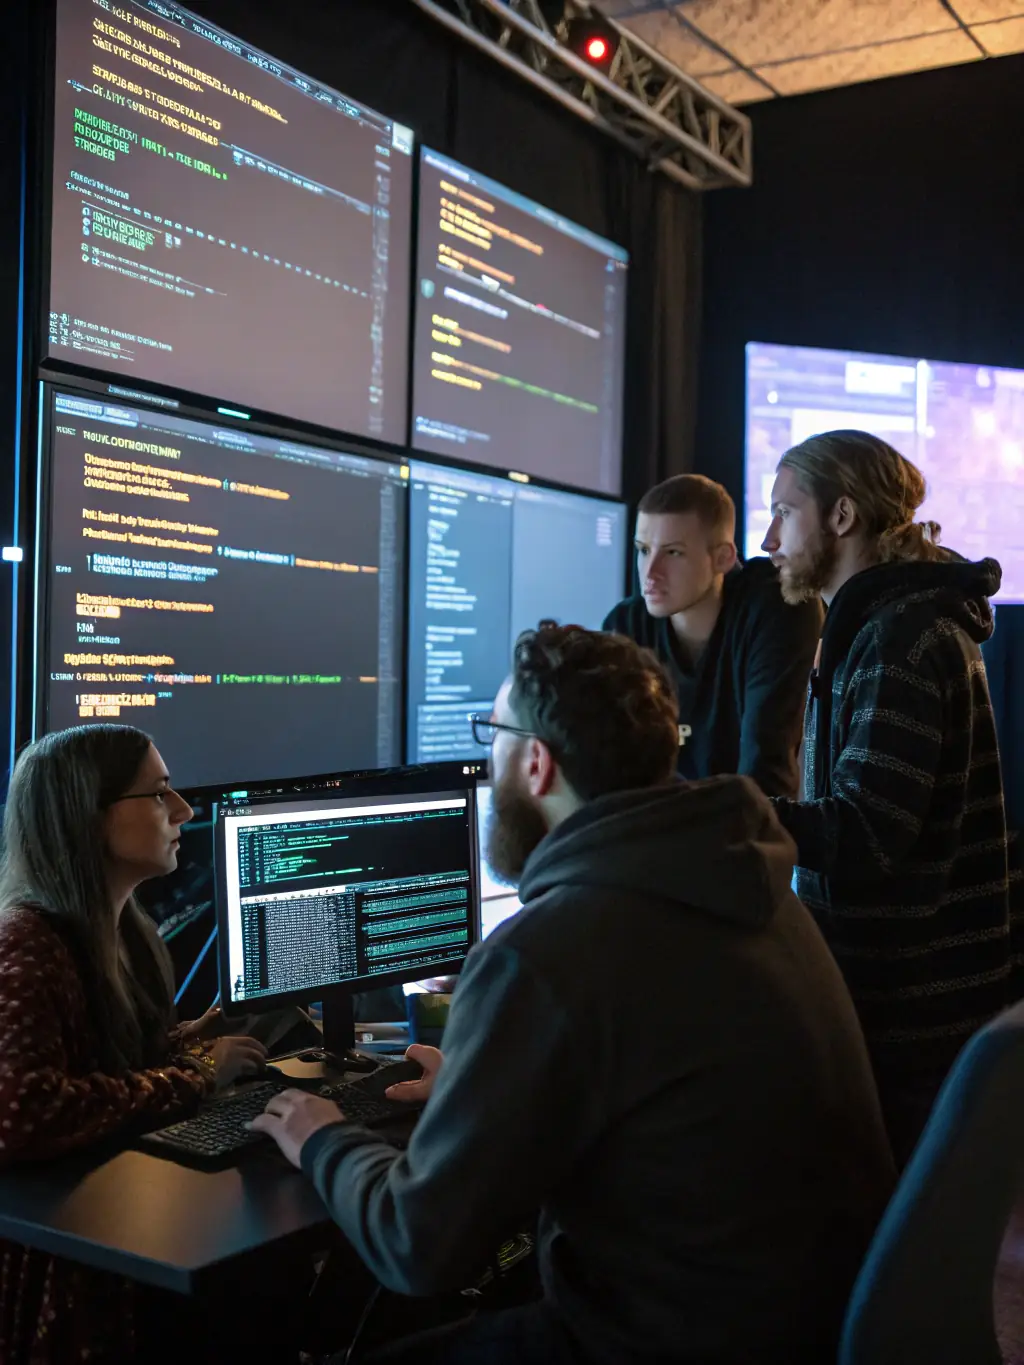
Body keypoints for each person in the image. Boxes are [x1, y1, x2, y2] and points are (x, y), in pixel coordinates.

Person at [254, 625, 895, 1365]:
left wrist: (321, 1136)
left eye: (491, 734)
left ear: (535, 761)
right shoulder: (749, 884)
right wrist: (484, 1083)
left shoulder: (548, 950)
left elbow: (415, 1245)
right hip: (802, 1323)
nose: (486, 760)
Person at [762, 429, 1015, 1165]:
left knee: (884, 1262)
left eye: (786, 510)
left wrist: (724, 812)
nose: (770, 535)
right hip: (906, 1011)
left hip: (906, 1022)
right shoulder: (890, 624)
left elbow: (867, 836)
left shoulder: (898, 637)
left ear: (842, 516)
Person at [0, 725, 268, 1365]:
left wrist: (184, 1039)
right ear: (87, 817)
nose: (184, 812)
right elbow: (21, 1111)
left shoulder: (127, 931)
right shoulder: (26, 947)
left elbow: (96, 1058)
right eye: (159, 795)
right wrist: (197, 1074)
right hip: (64, 1264)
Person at [603, 473, 822, 797]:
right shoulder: (626, 625)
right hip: (656, 832)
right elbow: (606, 770)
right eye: (643, 550)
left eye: (673, 553)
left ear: (723, 557)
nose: (650, 573)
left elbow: (766, 766)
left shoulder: (777, 606)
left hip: (745, 831)